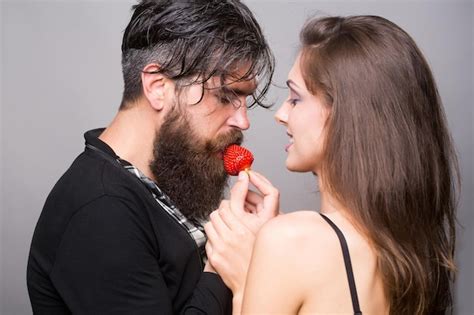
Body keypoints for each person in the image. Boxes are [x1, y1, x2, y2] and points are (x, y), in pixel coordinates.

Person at [26, 0, 275, 314]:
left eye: (244, 100)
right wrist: (227, 267)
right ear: (159, 87)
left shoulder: (168, 172)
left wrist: (250, 242)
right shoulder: (100, 210)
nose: (243, 121)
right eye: (225, 96)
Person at [205, 15, 459, 315]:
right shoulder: (414, 254)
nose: (281, 114)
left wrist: (246, 284)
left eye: (296, 99)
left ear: (347, 116)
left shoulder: (290, 240)